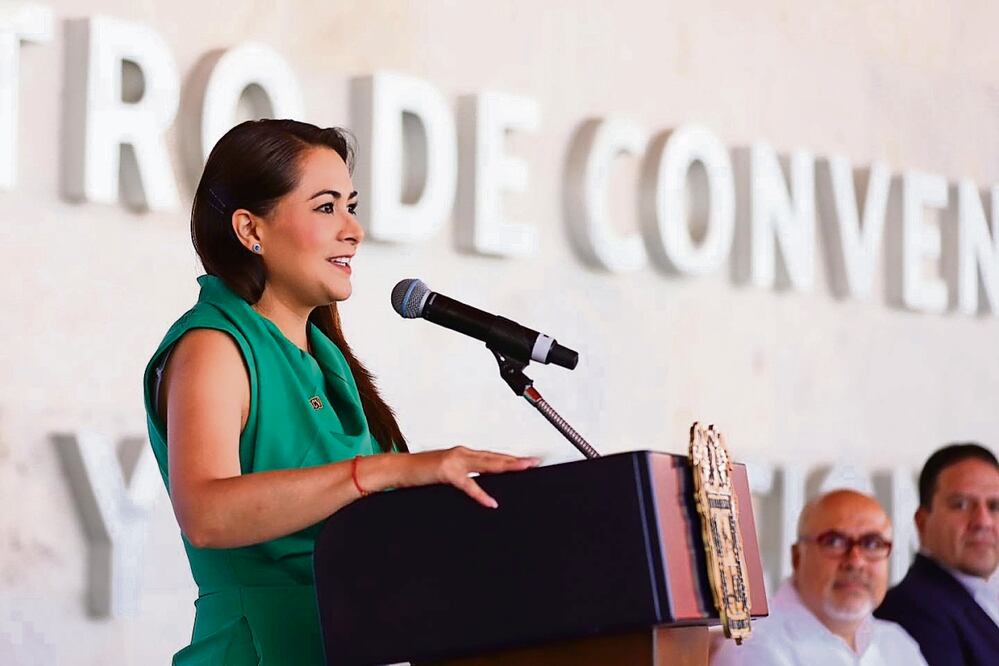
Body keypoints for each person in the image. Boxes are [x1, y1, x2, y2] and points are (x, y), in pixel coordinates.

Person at [142, 119, 539, 665]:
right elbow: (207, 515)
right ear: (250, 230)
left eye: (350, 206)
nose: (352, 230)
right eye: (326, 208)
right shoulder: (214, 345)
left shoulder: (329, 360)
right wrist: (383, 472)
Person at [712, 490, 927, 665]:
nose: (855, 561)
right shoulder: (753, 647)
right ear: (797, 557)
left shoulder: (898, 644)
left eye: (872, 544)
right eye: (834, 542)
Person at [875, 443, 999, 665]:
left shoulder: (985, 595)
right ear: (922, 522)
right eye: (961, 505)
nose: (983, 521)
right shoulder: (911, 609)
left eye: (994, 506)